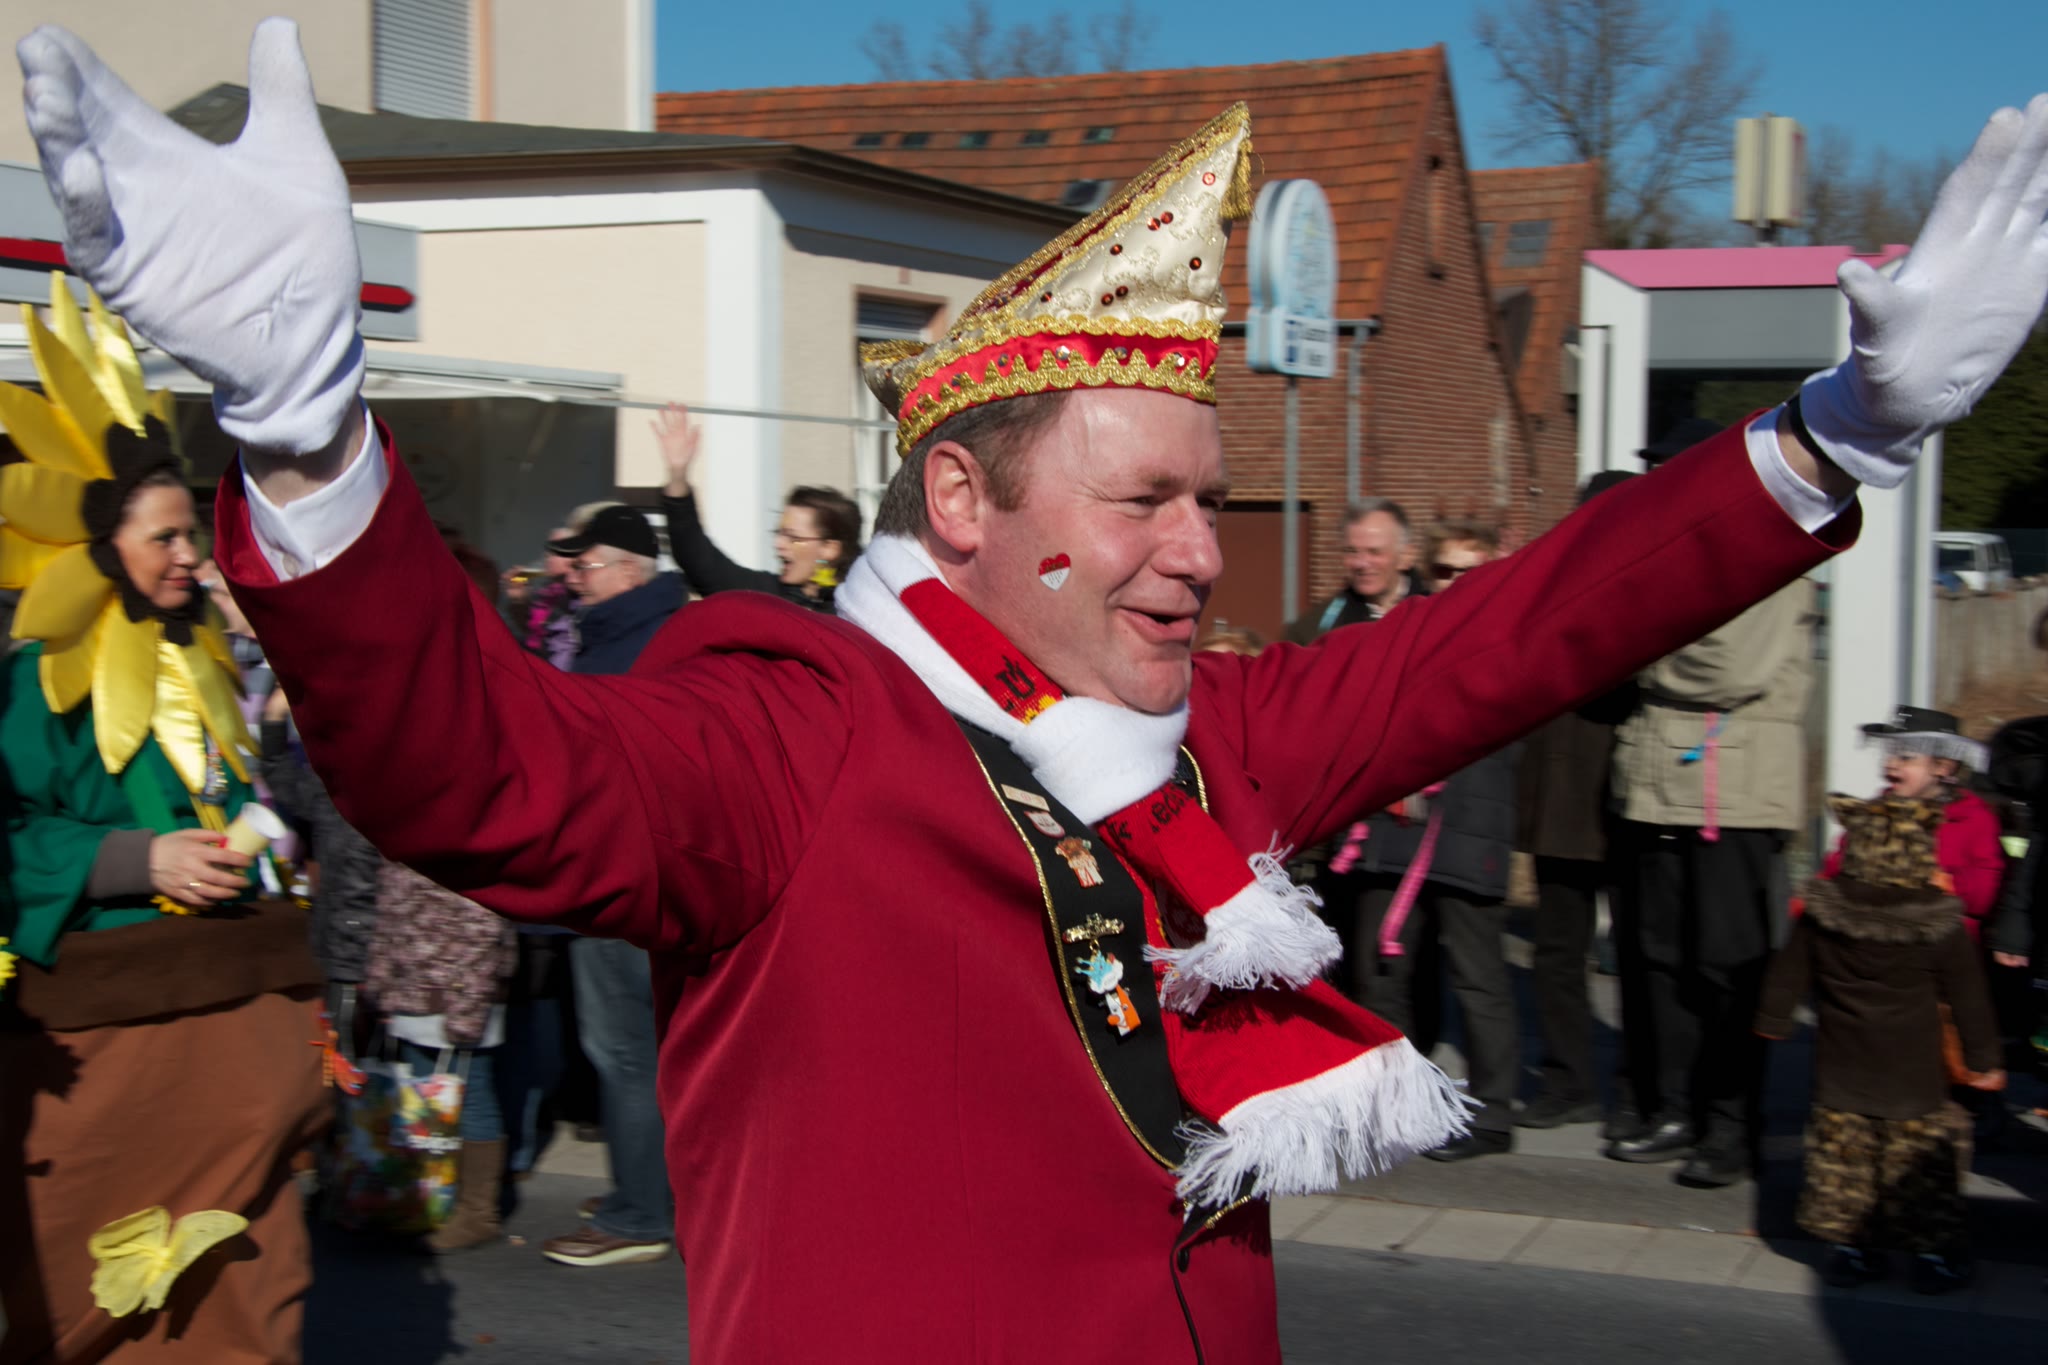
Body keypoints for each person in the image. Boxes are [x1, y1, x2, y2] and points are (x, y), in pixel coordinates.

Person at [29, 23, 2048, 1356]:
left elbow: (1522, 629)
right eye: (1142, 499)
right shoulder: (793, 728)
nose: (1197, 548)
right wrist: (308, 438)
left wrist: (1839, 429)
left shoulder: (1217, 741)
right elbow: (479, 777)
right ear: (965, 502)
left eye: (1204, 500)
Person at [0, 283, 326, 1363]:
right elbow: (11, 836)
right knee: (109, 1290)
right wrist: (134, 859)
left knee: (251, 1282)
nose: (191, 556)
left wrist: (256, 840)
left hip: (236, 1021)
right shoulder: (34, 685)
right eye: (168, 537)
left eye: (194, 534)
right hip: (113, 1043)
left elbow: (227, 798)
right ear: (99, 546)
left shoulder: (202, 661)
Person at [1605, 576, 1820, 1185]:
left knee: (1728, 968)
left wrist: (1637, 651)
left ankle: (1730, 1124)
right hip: (1655, 788)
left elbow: (1728, 669)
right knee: (1660, 961)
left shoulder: (1775, 568)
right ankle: (1675, 1110)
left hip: (1737, 798)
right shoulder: (1691, 565)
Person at [1755, 793, 2004, 1295]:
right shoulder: (1938, 923)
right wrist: (1984, 1061)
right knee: (1916, 1165)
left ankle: (1853, 1250)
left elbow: (1787, 974)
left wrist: (1772, 1021)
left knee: (1845, 1162)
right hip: (1914, 1076)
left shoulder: (1822, 914)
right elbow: (1969, 998)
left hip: (1842, 1067)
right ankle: (1933, 1257)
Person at [1340, 522, 1524, 1159]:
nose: (1456, 583)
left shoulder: (1512, 637)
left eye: (1471, 571)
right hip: (1396, 827)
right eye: (1445, 570)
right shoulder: (1410, 628)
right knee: (1383, 972)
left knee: (1477, 977)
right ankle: (1396, 1103)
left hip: (1470, 826)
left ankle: (1493, 1114)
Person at [539, 501, 685, 1265]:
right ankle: (652, 1188)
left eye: (586, 562)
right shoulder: (646, 631)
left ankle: (638, 1214)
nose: (573, 576)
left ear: (629, 569)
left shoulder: (630, 647)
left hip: (618, 877)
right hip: (641, 876)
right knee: (647, 1047)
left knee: (625, 1049)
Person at [1514, 472, 1639, 1131]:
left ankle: (1641, 1089)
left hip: (1624, 795)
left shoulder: (1644, 586)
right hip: (1563, 798)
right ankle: (1571, 1080)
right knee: (1558, 951)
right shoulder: (1556, 584)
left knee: (1639, 955)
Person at [654, 402, 859, 612]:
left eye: (793, 537)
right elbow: (699, 561)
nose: (778, 544)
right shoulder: (766, 597)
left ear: (829, 549)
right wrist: (677, 474)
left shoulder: (858, 611)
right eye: (779, 533)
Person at [1283, 497, 1425, 642]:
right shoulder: (1315, 631)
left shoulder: (1434, 616)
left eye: (1374, 552)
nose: (1361, 563)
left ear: (1406, 556)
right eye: (1351, 551)